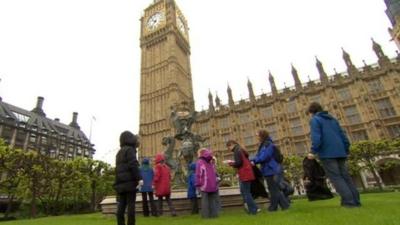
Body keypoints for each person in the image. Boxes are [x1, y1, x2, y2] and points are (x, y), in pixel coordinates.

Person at [308, 102, 361, 207]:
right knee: (346, 177)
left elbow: (316, 138)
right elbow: (344, 137)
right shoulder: (333, 119)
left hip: (328, 154)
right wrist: (345, 149)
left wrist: (313, 151)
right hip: (341, 152)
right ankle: (356, 201)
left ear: (312, 112)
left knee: (336, 178)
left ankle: (349, 203)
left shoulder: (315, 120)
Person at [251, 130, 290, 212]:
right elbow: (259, 155)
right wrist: (252, 160)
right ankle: (280, 206)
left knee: (274, 189)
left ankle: (277, 207)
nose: (257, 137)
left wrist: (254, 161)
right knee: (273, 189)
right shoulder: (263, 145)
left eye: (257, 135)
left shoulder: (268, 144)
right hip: (268, 169)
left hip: (271, 169)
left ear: (262, 136)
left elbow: (265, 156)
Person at [114, 131, 142, 225]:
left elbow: (117, 169)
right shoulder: (130, 150)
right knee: (131, 205)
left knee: (121, 206)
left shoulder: (119, 152)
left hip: (120, 183)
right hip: (129, 183)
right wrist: (139, 178)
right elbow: (133, 165)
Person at [225, 140, 259, 215]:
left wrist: (230, 163)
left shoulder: (237, 150)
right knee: (245, 192)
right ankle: (255, 208)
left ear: (232, 144)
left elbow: (239, 163)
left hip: (244, 173)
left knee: (246, 193)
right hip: (248, 172)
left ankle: (253, 210)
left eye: (228, 147)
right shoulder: (241, 149)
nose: (229, 149)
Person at [195, 148, 219, 218]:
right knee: (212, 201)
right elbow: (214, 173)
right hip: (212, 185)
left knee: (205, 201)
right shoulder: (210, 162)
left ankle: (205, 216)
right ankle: (214, 215)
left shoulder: (200, 162)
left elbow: (198, 175)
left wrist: (198, 185)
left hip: (204, 185)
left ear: (200, 154)